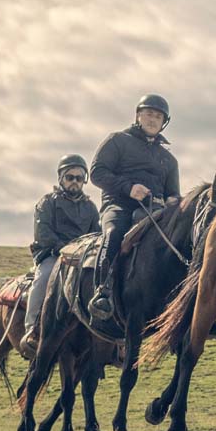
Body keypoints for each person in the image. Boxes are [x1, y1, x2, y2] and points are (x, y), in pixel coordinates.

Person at [88, 94, 180, 322]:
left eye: (158, 116)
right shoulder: (117, 140)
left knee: (180, 241)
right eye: (148, 113)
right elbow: (97, 173)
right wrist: (129, 188)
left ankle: (183, 302)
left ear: (164, 122)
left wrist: (173, 202)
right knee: (114, 233)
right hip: (119, 205)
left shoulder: (169, 160)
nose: (152, 119)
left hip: (155, 211)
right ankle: (104, 292)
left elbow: (173, 194)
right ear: (138, 115)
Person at [19, 154, 101, 356]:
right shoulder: (47, 203)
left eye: (79, 178)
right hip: (53, 255)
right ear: (61, 178)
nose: (74, 182)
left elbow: (96, 233)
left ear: (84, 181)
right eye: (70, 177)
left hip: (81, 259)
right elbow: (44, 234)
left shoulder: (91, 208)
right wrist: (65, 249)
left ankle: (106, 336)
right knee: (44, 278)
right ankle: (32, 330)